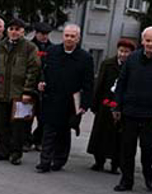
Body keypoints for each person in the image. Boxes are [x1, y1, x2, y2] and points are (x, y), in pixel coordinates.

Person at [112, 27, 152, 192]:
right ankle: (126, 180)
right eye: (147, 40)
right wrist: (117, 106)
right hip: (130, 112)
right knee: (127, 148)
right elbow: (121, 84)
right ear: (142, 41)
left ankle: (148, 172)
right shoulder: (132, 58)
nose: (150, 44)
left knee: (148, 148)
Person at [35, 24, 94, 173]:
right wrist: (42, 82)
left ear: (78, 38)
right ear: (63, 36)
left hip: (70, 101)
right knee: (48, 130)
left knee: (63, 132)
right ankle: (45, 161)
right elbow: (44, 70)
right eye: (67, 35)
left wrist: (84, 105)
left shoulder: (85, 58)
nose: (69, 39)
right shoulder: (52, 51)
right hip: (52, 97)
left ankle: (59, 160)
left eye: (72, 36)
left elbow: (88, 84)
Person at [0, 18, 40, 165]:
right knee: (2, 124)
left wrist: (28, 91)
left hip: (20, 94)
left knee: (18, 126)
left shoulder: (29, 48)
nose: (14, 32)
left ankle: (16, 153)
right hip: (2, 92)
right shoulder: (0, 46)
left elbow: (33, 69)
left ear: (23, 31)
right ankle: (3, 151)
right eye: (11, 29)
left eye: (17, 29)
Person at [87, 39, 136, 173]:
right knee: (101, 132)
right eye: (121, 51)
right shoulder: (108, 64)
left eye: (127, 52)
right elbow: (100, 84)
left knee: (118, 136)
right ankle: (99, 160)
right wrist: (95, 103)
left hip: (122, 105)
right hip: (106, 103)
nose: (123, 54)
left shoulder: (133, 67)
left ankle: (116, 163)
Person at [29, 22, 55, 151]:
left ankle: (38, 139)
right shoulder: (29, 46)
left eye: (47, 34)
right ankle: (26, 140)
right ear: (36, 33)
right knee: (26, 116)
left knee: (42, 117)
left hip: (44, 87)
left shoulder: (52, 49)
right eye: (42, 34)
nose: (45, 37)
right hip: (30, 85)